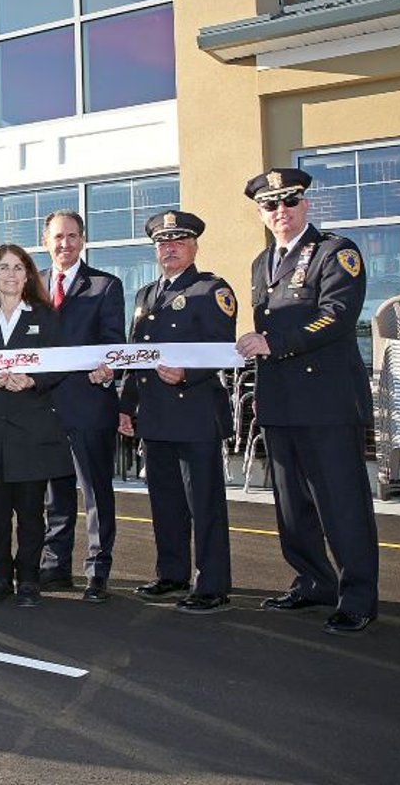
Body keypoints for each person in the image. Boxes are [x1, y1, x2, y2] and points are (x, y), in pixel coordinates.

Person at [236, 168, 379, 635]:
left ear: (305, 204)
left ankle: (357, 596)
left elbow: (336, 318)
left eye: (289, 202)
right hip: (280, 404)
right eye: (269, 206)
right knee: (292, 506)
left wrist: (273, 346)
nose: (280, 212)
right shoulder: (263, 263)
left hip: (327, 404)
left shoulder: (337, 252)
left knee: (341, 503)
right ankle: (313, 580)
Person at [118, 211, 236, 614]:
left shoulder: (211, 289)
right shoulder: (146, 294)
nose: (169, 248)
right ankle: (171, 574)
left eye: (178, 241)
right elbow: (137, 355)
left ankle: (212, 584)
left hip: (195, 413)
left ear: (194, 246)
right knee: (165, 502)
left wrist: (188, 372)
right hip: (154, 414)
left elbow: (224, 346)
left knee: (203, 503)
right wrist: (126, 405)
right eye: (162, 243)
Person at [0, 244, 71, 607]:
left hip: (32, 428)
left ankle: (28, 580)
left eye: (18, 268)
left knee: (29, 512)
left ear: (28, 275)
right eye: (3, 267)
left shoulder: (45, 315)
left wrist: (32, 380)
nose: (10, 274)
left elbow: (60, 364)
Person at [38, 210, 125, 603]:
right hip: (44, 407)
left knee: (95, 493)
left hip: (89, 403)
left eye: (72, 236)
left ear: (83, 240)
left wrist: (109, 369)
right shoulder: (32, 285)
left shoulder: (106, 286)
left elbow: (112, 340)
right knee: (55, 493)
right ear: (46, 241)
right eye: (58, 237)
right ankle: (55, 566)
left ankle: (97, 570)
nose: (65, 244)